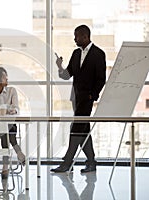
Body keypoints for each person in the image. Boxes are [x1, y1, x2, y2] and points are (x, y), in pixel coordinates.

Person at [51, 25, 106, 173]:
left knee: (76, 129)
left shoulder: (98, 54)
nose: (75, 39)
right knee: (83, 130)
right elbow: (66, 75)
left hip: (87, 99)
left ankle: (67, 163)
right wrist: (59, 66)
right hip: (75, 97)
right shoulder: (75, 54)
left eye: (77, 36)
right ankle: (91, 161)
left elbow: (101, 79)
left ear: (85, 36)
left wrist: (92, 95)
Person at [0, 66, 26, 179]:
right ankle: (18, 152)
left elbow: (16, 108)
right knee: (5, 132)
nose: (7, 78)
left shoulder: (12, 91)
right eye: (3, 77)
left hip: (10, 125)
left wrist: (13, 110)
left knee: (6, 131)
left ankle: (5, 167)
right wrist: (2, 110)